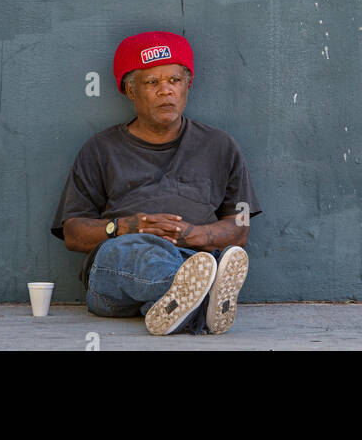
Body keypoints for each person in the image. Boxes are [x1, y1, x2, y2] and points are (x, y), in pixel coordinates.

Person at [51, 31, 260, 335]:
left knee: (178, 291)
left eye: (174, 81)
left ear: (188, 85)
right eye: (152, 83)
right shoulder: (99, 149)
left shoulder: (220, 146)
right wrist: (124, 227)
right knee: (136, 249)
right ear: (130, 91)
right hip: (117, 270)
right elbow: (72, 233)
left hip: (194, 259)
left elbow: (239, 228)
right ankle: (203, 297)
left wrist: (195, 234)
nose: (166, 91)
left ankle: (183, 305)